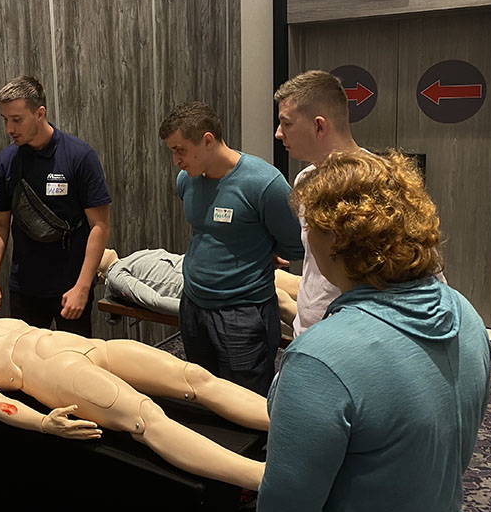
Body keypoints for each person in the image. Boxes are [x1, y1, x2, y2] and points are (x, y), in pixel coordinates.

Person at [256, 151, 491, 512]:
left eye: (309, 226)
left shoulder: (320, 358)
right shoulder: (467, 315)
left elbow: (286, 509)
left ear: (335, 239)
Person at [0, 312, 270, 490]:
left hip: (92, 347)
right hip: (59, 371)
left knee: (195, 377)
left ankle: (286, 420)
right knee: (146, 419)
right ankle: (265, 478)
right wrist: (42, 422)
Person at [159, 102, 304, 395]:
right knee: (205, 393)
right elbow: (207, 229)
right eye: (172, 151)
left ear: (208, 140)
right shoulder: (186, 180)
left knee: (246, 398)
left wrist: (262, 250)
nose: (176, 160)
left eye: (180, 150)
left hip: (243, 311)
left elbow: (295, 243)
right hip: (194, 305)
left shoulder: (264, 183)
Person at [0, 76, 111, 337]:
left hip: (70, 287)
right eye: (5, 119)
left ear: (40, 113)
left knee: (74, 367)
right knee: (25, 369)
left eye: (16, 119)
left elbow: (100, 225)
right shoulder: (6, 161)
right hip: (24, 288)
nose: (9, 128)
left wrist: (83, 287)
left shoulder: (78, 156)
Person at [273, 70, 362, 337]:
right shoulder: (306, 179)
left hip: (348, 336)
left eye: (286, 124)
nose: (279, 134)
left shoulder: (380, 184)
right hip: (310, 328)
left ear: (319, 126)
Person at [99, 248, 299, 325]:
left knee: (293, 283)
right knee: (278, 298)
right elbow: (153, 301)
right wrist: (196, 311)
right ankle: (321, 346)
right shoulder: (116, 275)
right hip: (203, 284)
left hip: (210, 266)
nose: (100, 248)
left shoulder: (130, 257)